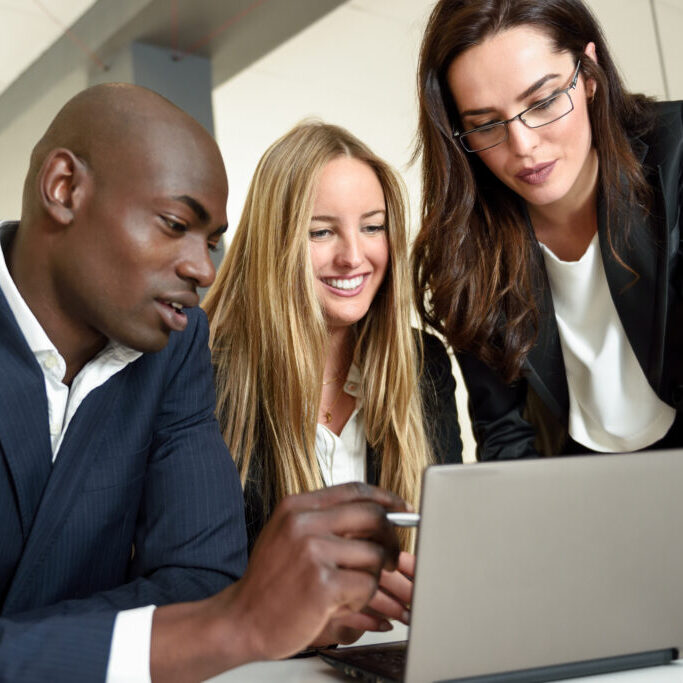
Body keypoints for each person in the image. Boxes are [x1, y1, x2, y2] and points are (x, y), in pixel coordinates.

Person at [0, 83, 410, 682]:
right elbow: (213, 614)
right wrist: (227, 625)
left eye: (212, 241)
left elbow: (200, 581)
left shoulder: (176, 345)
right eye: (174, 224)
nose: (204, 270)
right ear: (64, 188)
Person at [203, 121, 462, 642]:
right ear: (275, 241)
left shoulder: (422, 361)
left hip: (401, 654)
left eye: (373, 227)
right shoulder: (207, 374)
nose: (353, 256)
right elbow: (192, 586)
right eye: (321, 232)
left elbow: (454, 550)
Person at [412, 0, 683, 460]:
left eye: (543, 101)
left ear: (590, 74)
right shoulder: (466, 247)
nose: (524, 145)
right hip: (578, 487)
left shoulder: (676, 160)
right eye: (485, 124)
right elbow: (506, 435)